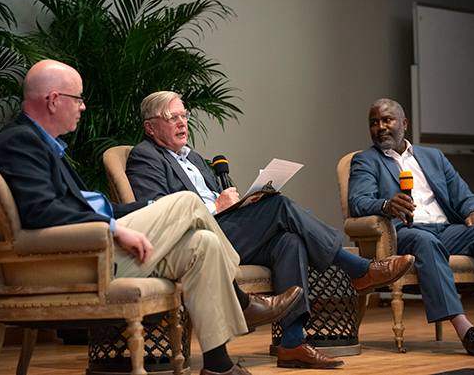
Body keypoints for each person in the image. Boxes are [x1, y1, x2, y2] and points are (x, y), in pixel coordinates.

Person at [0, 60, 304, 375]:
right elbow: (40, 212)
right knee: (186, 202)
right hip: (80, 259)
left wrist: (149, 208)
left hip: (93, 248)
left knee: (203, 243)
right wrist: (114, 230)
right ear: (54, 100)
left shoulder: (44, 145)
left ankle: (218, 366)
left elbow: (87, 206)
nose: (83, 107)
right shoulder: (20, 141)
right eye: (78, 99)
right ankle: (242, 301)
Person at [126, 91, 415, 369]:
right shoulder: (145, 156)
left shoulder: (196, 160)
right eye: (171, 117)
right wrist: (216, 205)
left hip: (227, 233)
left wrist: (240, 203)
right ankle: (359, 269)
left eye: (183, 115)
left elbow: (224, 205)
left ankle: (292, 343)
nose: (181, 122)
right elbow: (157, 210)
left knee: (289, 241)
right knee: (280, 206)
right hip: (197, 241)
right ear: (150, 127)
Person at [348, 98, 474, 357]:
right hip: (407, 231)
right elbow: (358, 202)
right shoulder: (365, 160)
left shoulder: (433, 156)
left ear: (404, 124)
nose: (381, 127)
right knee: (425, 242)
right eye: (374, 123)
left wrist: (473, 212)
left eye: (387, 120)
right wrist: (386, 204)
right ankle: (465, 330)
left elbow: (462, 193)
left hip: (446, 229)